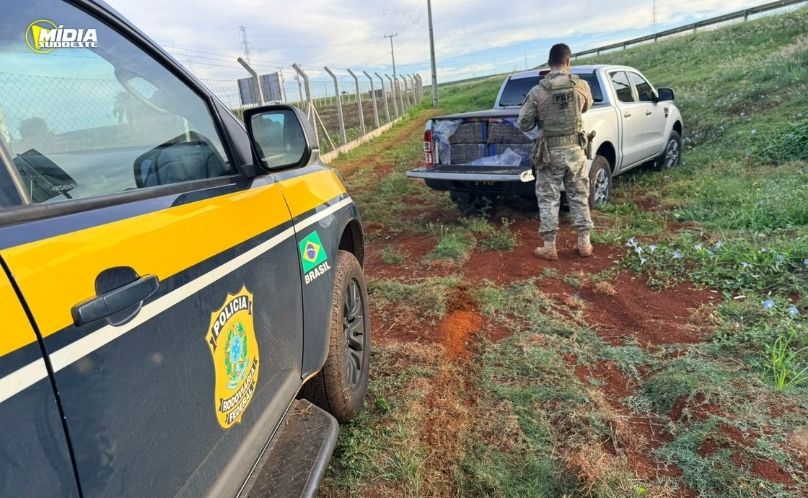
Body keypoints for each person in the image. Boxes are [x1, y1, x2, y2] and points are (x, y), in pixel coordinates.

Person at [517, 43, 594, 260]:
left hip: (549, 153)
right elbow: (587, 107)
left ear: (549, 63)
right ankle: (584, 244)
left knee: (548, 199)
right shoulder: (581, 86)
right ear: (568, 62)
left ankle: (550, 247)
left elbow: (524, 123)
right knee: (579, 196)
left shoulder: (538, 91)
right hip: (576, 151)